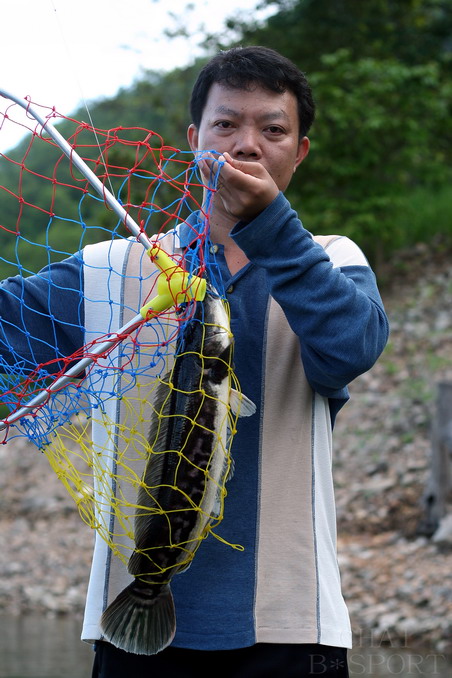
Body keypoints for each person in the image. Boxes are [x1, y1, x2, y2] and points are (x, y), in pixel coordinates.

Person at [0, 47, 389, 676]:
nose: (247, 145)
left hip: (290, 629)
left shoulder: (329, 262)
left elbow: (354, 347)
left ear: (300, 151)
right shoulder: (115, 268)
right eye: (226, 124)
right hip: (128, 629)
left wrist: (271, 228)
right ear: (194, 139)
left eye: (273, 129)